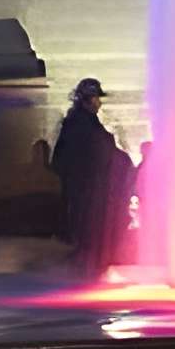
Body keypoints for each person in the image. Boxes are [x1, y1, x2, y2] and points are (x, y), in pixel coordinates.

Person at [52, 81, 116, 270]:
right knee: (86, 226)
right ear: (88, 100)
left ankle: (85, 262)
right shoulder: (81, 124)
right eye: (97, 98)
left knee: (85, 226)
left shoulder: (78, 121)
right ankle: (84, 265)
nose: (99, 103)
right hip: (86, 186)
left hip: (85, 185)